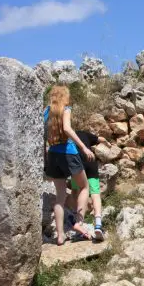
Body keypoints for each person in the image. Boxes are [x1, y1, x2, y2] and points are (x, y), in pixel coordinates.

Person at [43, 86, 95, 246]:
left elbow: (42, 137)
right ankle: (79, 221)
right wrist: (84, 147)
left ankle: (60, 236)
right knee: (85, 187)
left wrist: (45, 159)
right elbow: (67, 128)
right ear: (64, 97)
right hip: (68, 153)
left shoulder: (46, 112)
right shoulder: (66, 108)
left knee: (60, 197)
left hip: (52, 154)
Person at [67, 130, 109, 242]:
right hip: (90, 161)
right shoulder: (84, 133)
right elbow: (101, 139)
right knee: (95, 194)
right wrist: (108, 144)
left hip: (76, 163)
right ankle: (98, 224)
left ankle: (77, 219)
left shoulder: (67, 136)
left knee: (76, 191)